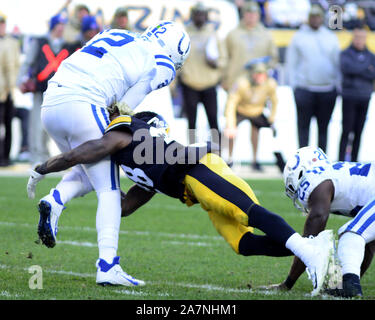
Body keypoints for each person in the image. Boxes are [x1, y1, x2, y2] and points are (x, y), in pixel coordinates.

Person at [28, 107, 335, 296]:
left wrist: (43, 168)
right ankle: (314, 246)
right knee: (243, 244)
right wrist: (89, 187)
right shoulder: (142, 169)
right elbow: (122, 207)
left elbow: (76, 154)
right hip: (193, 187)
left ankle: (309, 251)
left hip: (199, 169)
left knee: (248, 214)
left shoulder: (125, 134)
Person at [26, 21, 190, 287]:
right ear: (176, 51)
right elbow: (126, 104)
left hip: (51, 102)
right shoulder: (163, 60)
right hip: (83, 102)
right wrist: (125, 120)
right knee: (109, 189)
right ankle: (107, 266)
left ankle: (55, 200)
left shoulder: (116, 33)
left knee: (88, 166)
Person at [263, 146, 375, 298]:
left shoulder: (315, 181)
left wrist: (288, 283)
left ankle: (350, 288)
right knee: (361, 236)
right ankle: (349, 286)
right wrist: (347, 279)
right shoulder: (335, 174)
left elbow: (309, 240)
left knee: (351, 235)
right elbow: (368, 245)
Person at [17, 13, 75, 166]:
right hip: (40, 88)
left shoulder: (66, 46)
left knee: (50, 125)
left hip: (58, 91)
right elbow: (28, 62)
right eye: (59, 25)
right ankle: (36, 155)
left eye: (63, 25)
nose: (61, 28)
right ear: (54, 26)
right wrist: (21, 80)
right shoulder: (40, 41)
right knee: (36, 124)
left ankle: (45, 154)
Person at [286, 5, 340, 152]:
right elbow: (291, 63)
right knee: (303, 128)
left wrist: (337, 86)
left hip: (327, 88)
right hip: (305, 88)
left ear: (322, 18)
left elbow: (337, 63)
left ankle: (322, 164)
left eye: (318, 17)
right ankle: (303, 163)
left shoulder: (330, 37)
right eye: (313, 17)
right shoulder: (299, 37)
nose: (315, 20)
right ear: (309, 18)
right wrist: (295, 87)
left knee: (323, 128)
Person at [179, 2, 226, 144]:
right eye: (196, 14)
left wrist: (216, 63)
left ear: (206, 16)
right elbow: (179, 59)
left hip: (209, 84)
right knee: (191, 122)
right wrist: (175, 83)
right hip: (190, 83)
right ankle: (192, 152)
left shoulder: (213, 34)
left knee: (213, 120)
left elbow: (223, 59)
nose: (199, 17)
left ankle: (217, 152)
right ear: (192, 16)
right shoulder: (185, 34)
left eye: (202, 14)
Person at [224, 61, 285, 171]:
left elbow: (274, 101)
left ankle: (262, 161)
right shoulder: (241, 83)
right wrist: (230, 124)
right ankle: (229, 159)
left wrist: (272, 118)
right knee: (230, 132)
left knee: (270, 132)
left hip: (257, 110)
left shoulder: (270, 84)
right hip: (241, 109)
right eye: (257, 74)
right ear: (252, 74)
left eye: (262, 74)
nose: (259, 77)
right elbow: (231, 103)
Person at [222, 1, 278, 93]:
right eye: (248, 13)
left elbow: (273, 58)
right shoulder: (232, 34)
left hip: (259, 84)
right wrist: (224, 79)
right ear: (243, 14)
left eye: (254, 13)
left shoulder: (266, 35)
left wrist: (263, 72)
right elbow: (224, 59)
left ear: (259, 15)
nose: (251, 16)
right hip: (235, 82)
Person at [338, 25, 375, 162]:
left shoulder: (371, 55)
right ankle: (341, 161)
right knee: (346, 131)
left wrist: (358, 69)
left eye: (362, 37)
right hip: (349, 97)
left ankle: (354, 162)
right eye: (357, 37)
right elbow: (347, 69)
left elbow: (372, 73)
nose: (360, 40)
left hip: (364, 97)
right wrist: (365, 68)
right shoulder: (345, 54)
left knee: (359, 132)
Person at [0, 14, 20, 166]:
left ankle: (5, 156)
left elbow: (15, 66)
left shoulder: (12, 42)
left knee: (8, 124)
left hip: (9, 90)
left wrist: (13, 88)